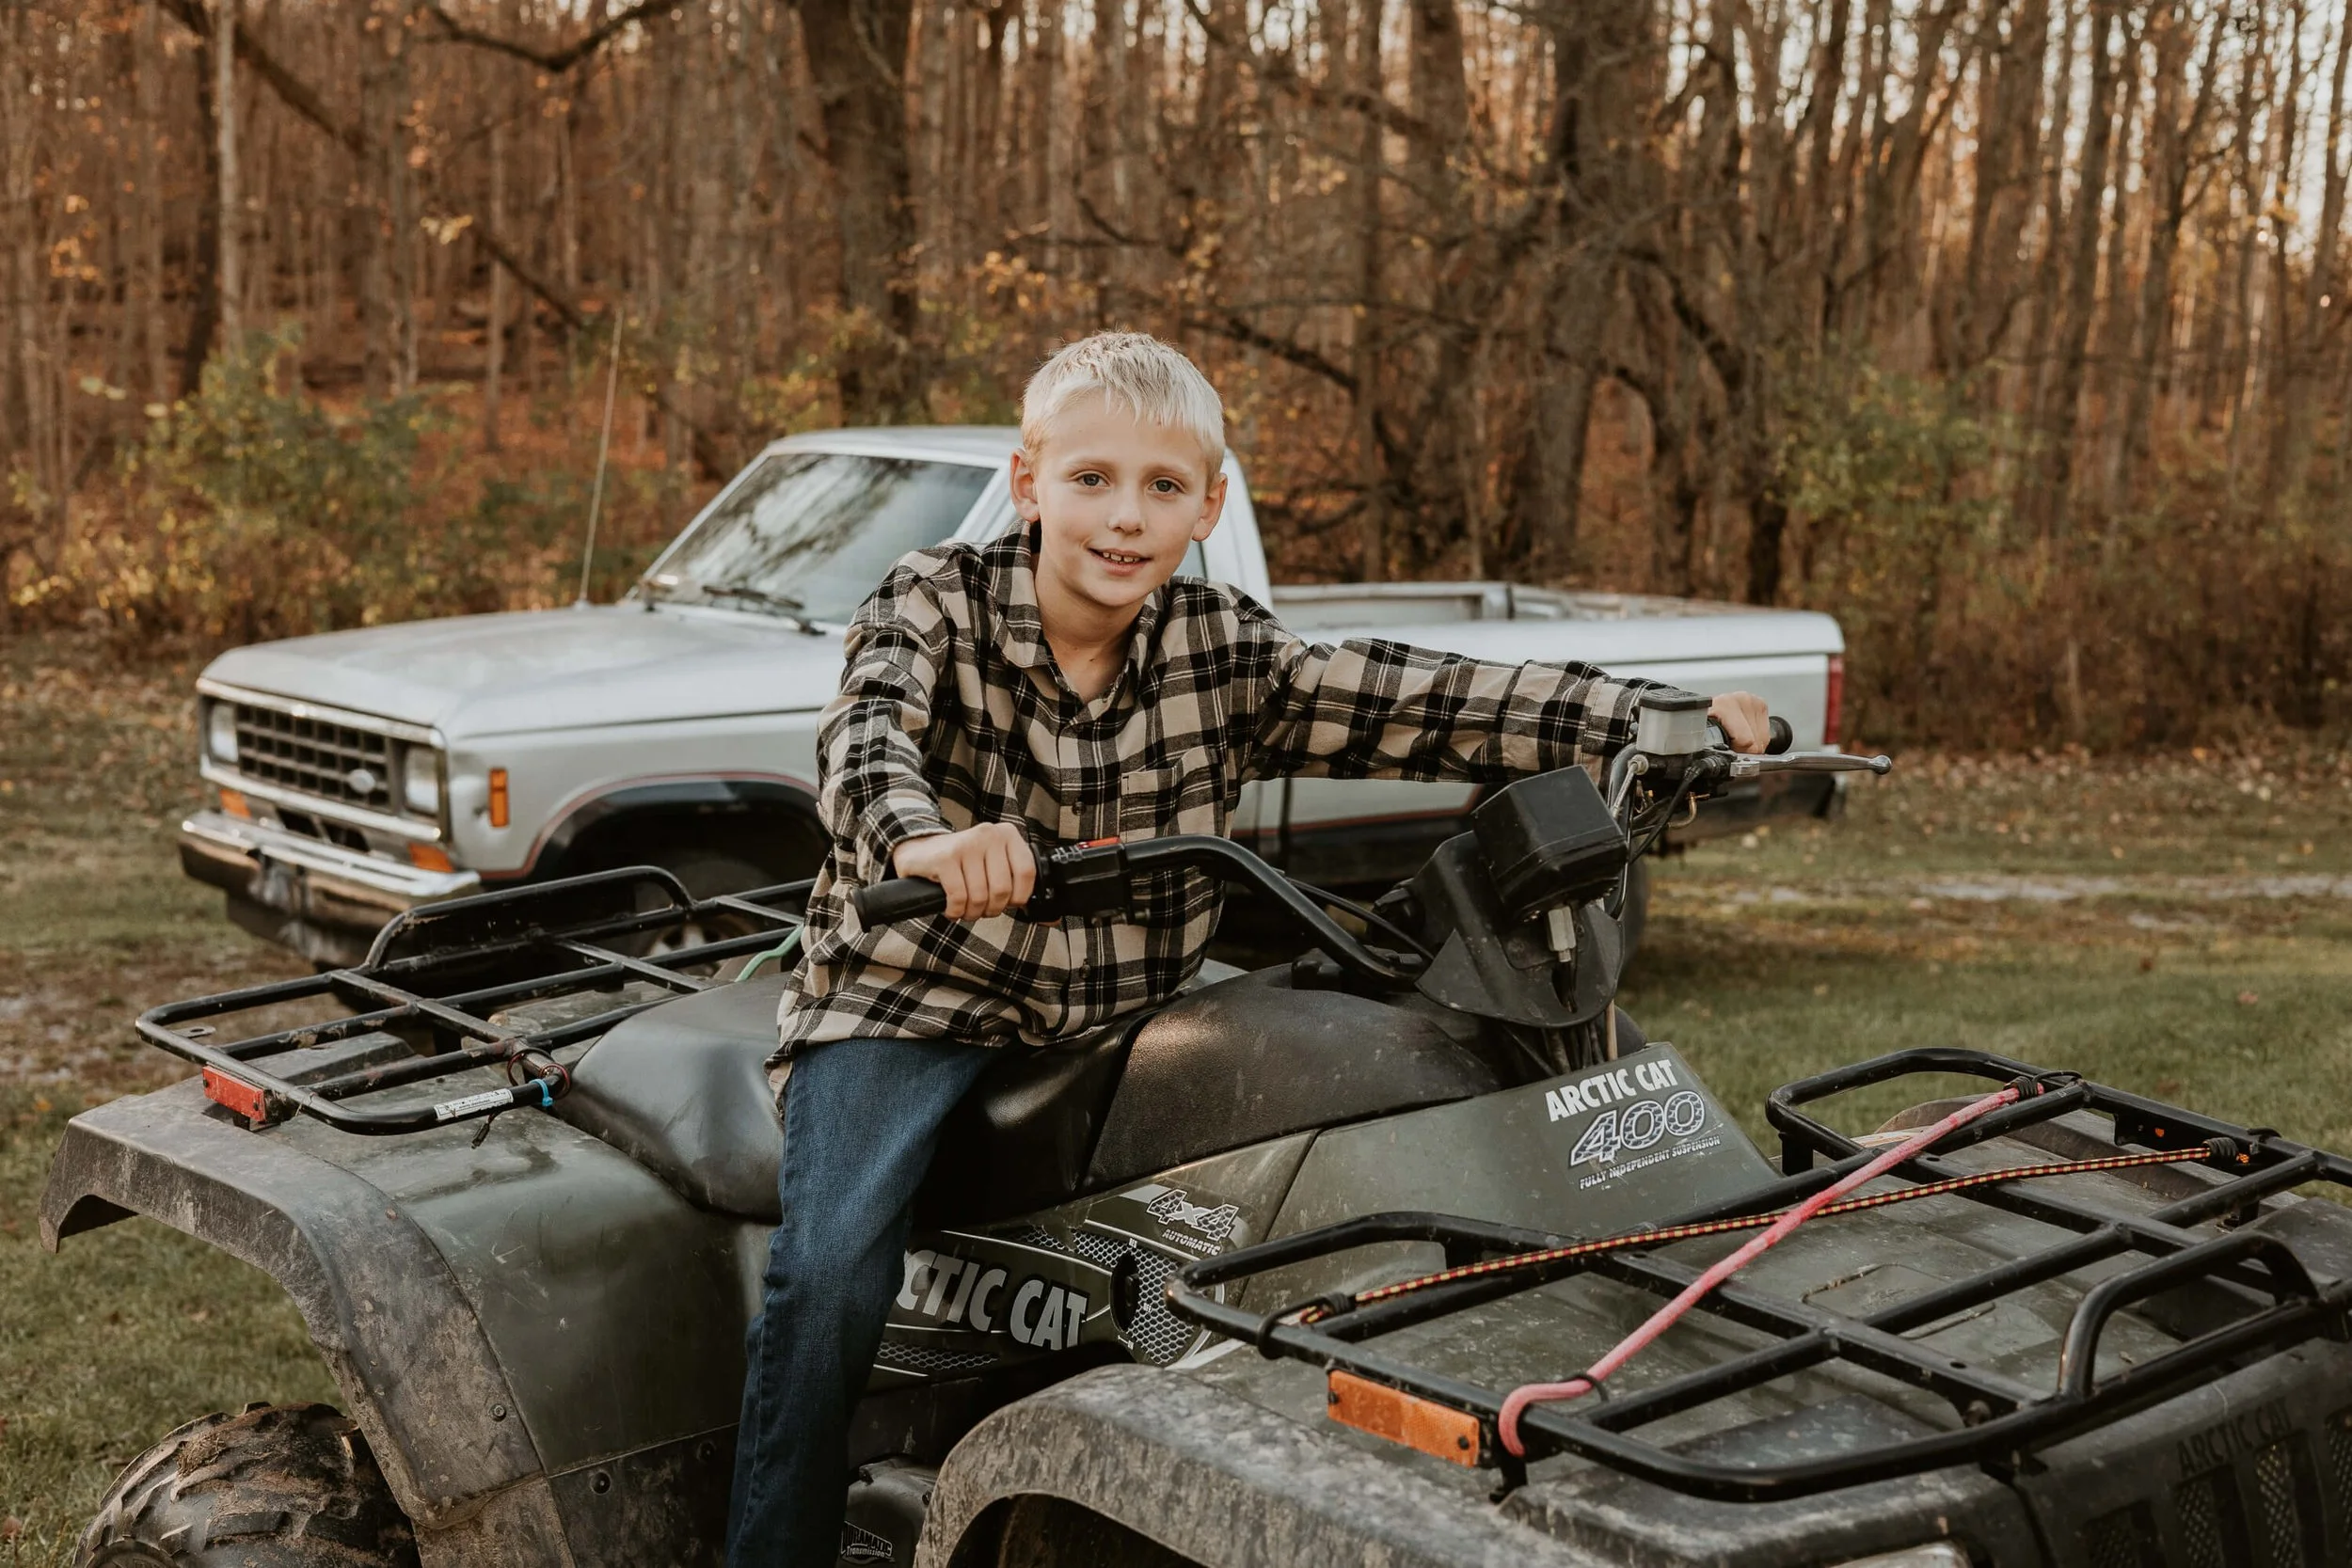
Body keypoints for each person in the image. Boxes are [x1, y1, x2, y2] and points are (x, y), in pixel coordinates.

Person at [724, 331, 1772, 1565]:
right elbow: (865, 742)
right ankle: (775, 1546)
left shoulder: (1222, 645)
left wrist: (1656, 717)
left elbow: (1418, 696)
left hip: (1125, 1005)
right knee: (834, 1258)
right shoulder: (931, 602)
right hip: (918, 999)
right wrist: (924, 845)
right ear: (1028, 482)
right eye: (1092, 479)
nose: (1124, 517)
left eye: (1163, 488)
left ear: (1209, 504)